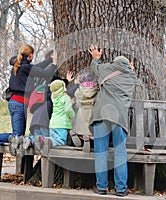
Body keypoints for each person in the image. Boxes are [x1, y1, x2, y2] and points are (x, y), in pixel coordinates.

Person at [0, 44, 58, 157]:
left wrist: (49, 59)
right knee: (17, 137)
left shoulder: (19, 65)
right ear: (30, 55)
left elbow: (37, 67)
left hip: (14, 102)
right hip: (19, 104)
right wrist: (54, 64)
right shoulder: (25, 67)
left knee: (18, 136)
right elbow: (44, 73)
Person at [88, 45, 138, 197]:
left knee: (100, 152)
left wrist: (96, 58)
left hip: (102, 115)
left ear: (115, 63)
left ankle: (101, 187)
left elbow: (95, 68)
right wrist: (130, 68)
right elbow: (129, 73)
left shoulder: (107, 69)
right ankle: (121, 189)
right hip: (119, 118)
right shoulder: (132, 77)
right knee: (120, 153)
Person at [21, 70, 80, 155]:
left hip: (35, 121)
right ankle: (31, 142)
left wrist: (66, 81)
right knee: (47, 141)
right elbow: (67, 92)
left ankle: (25, 140)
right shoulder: (62, 97)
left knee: (37, 140)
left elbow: (58, 87)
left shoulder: (52, 95)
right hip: (46, 122)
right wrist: (77, 84)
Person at [34, 79, 75, 154]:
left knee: (53, 139)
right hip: (62, 124)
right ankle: (48, 140)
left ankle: (44, 139)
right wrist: (73, 115)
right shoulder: (66, 97)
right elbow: (68, 109)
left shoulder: (54, 98)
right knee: (61, 141)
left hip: (53, 123)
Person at [71, 70, 99, 152]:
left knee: (81, 129)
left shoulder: (79, 90)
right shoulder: (96, 90)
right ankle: (90, 139)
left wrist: (77, 83)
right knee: (92, 131)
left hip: (82, 113)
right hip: (92, 113)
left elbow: (76, 96)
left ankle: (82, 139)